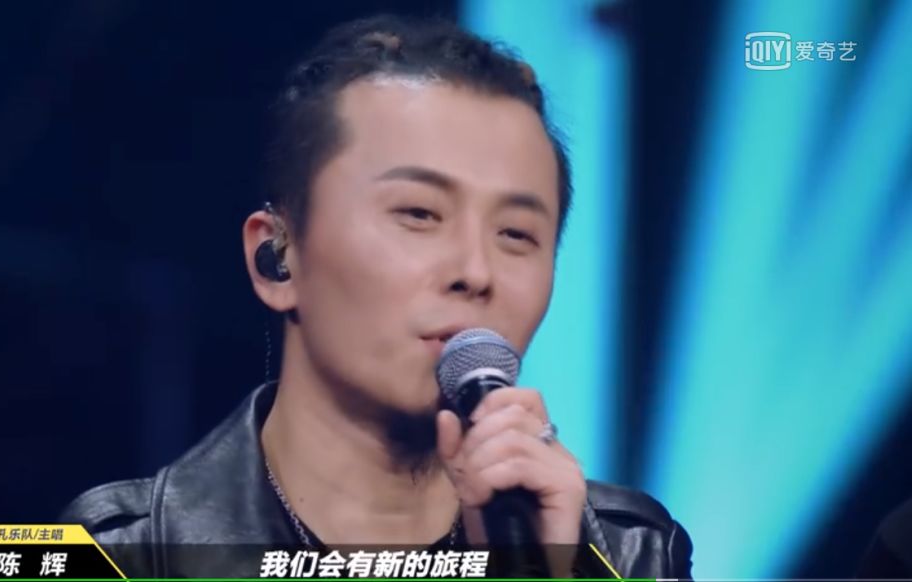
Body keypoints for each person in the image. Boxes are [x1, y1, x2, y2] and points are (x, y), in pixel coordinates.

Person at [61, 14, 694, 579]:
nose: (476, 271)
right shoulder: (110, 556)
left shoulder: (634, 558)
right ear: (276, 258)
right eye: (419, 213)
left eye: (516, 234)